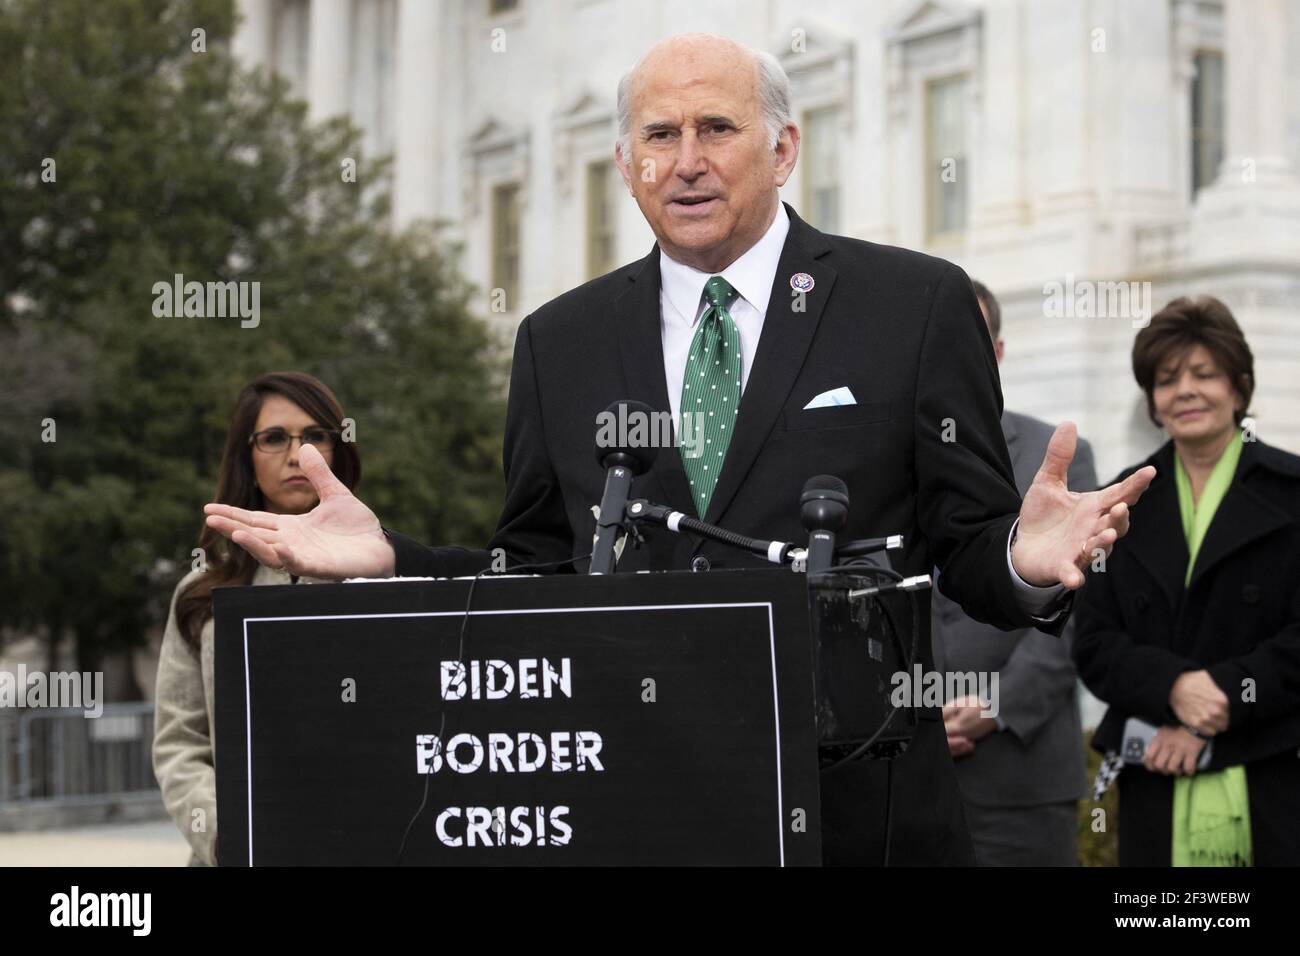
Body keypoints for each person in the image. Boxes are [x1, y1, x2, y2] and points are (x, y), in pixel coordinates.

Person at [204, 34, 1154, 865]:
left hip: (860, 817)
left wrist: (1024, 563)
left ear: (783, 148)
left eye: (717, 129)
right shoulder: (557, 342)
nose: (687, 161)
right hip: (640, 811)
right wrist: (393, 563)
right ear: (625, 163)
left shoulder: (912, 305)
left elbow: (969, 544)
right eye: (660, 136)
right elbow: (537, 576)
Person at [1074, 296, 1300, 866]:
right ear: (1152, 399)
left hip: (1274, 767)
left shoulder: (1293, 491)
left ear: (1239, 387)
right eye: (1167, 379)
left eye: (1204, 374)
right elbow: (1095, 642)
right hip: (1156, 769)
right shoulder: (1120, 501)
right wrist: (1173, 689)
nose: (1185, 391)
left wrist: (1223, 694)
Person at [153, 372, 360, 866]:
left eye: (315, 436)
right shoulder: (201, 594)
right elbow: (180, 743)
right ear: (246, 454)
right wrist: (229, 839)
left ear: (338, 449)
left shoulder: (385, 579)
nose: (297, 454)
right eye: (274, 438)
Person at [931, 280, 1095, 866]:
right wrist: (910, 712)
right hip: (902, 774)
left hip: (1020, 780)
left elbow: (1079, 613)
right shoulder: (872, 455)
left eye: (965, 341)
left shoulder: (1057, 455)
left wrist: (994, 707)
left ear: (997, 353)